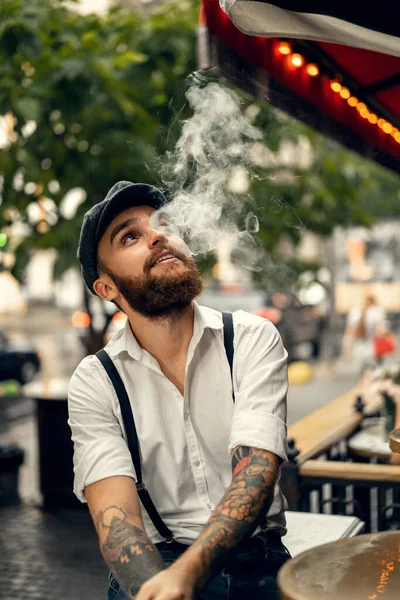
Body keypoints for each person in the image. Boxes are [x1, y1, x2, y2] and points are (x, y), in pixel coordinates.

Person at [68, 181, 290, 600]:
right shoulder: (95, 381)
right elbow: (118, 524)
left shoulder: (250, 338)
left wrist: (187, 576)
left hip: (256, 561)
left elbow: (257, 475)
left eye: (163, 223)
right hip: (154, 564)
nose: (157, 235)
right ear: (107, 288)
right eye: (130, 236)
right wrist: (159, 586)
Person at [342, 292, 386, 372]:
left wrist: (346, 349)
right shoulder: (377, 311)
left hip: (358, 345)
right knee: (374, 370)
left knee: (361, 370)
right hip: (372, 345)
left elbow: (349, 331)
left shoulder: (355, 311)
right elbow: (381, 331)